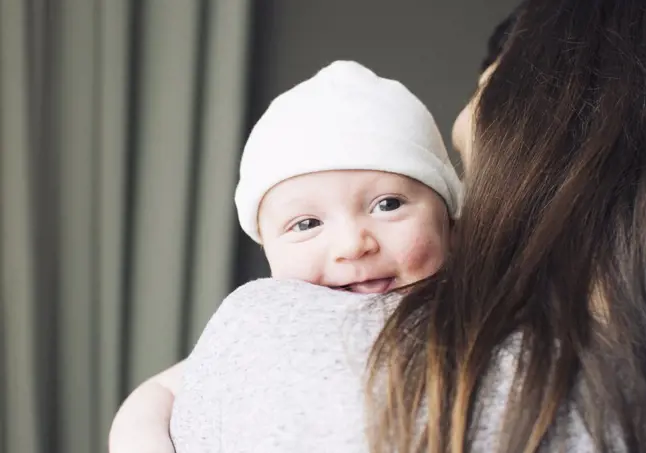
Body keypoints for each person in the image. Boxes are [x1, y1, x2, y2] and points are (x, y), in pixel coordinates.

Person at [108, 60, 462, 452]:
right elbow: (158, 391)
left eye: (387, 204)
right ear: (267, 249)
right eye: (307, 224)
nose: (352, 245)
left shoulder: (472, 313)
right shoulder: (271, 324)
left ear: (450, 220)